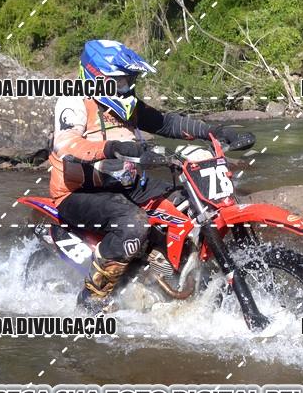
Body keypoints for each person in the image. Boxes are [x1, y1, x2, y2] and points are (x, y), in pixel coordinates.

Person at [49, 39, 255, 312]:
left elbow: (166, 123)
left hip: (127, 183)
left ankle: (175, 269)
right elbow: (66, 145)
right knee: (133, 223)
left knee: (193, 202)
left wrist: (214, 132)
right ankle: (92, 299)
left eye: (129, 81)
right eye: (120, 82)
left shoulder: (127, 104)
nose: (126, 87)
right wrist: (112, 148)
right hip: (79, 191)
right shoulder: (74, 102)